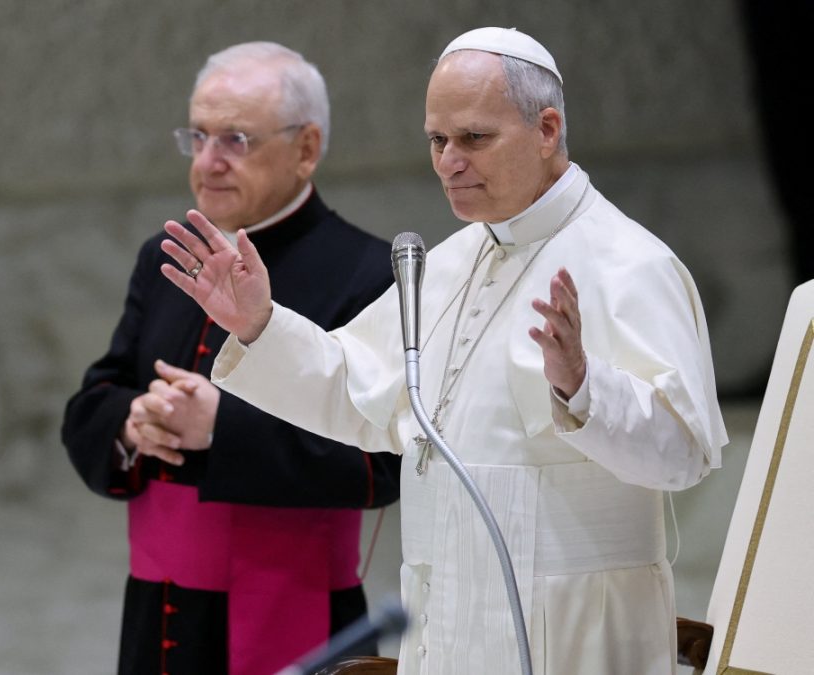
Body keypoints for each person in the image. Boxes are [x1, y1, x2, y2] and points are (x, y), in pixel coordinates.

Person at [160, 27, 729, 675]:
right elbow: (362, 396)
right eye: (437, 140)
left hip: (576, 630)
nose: (448, 162)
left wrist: (584, 388)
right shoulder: (451, 262)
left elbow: (684, 454)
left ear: (546, 130)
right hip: (448, 621)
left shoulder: (631, 264)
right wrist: (260, 324)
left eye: (474, 138)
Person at [61, 42, 401, 675]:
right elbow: (95, 398)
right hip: (160, 615)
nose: (207, 162)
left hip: (295, 610)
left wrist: (221, 428)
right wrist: (135, 422)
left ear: (306, 148)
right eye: (197, 137)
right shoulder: (165, 258)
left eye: (235, 140)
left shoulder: (368, 273)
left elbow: (385, 462)